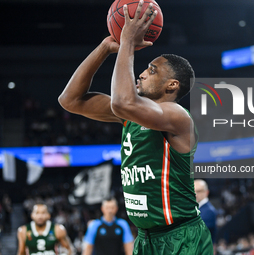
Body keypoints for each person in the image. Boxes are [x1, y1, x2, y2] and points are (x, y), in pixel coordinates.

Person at [58, 1, 213, 254]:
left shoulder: (177, 116)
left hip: (182, 237)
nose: (141, 74)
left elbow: (122, 101)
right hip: (145, 238)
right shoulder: (131, 114)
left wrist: (127, 42)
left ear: (171, 86)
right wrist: (104, 48)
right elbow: (70, 100)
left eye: (151, 71)